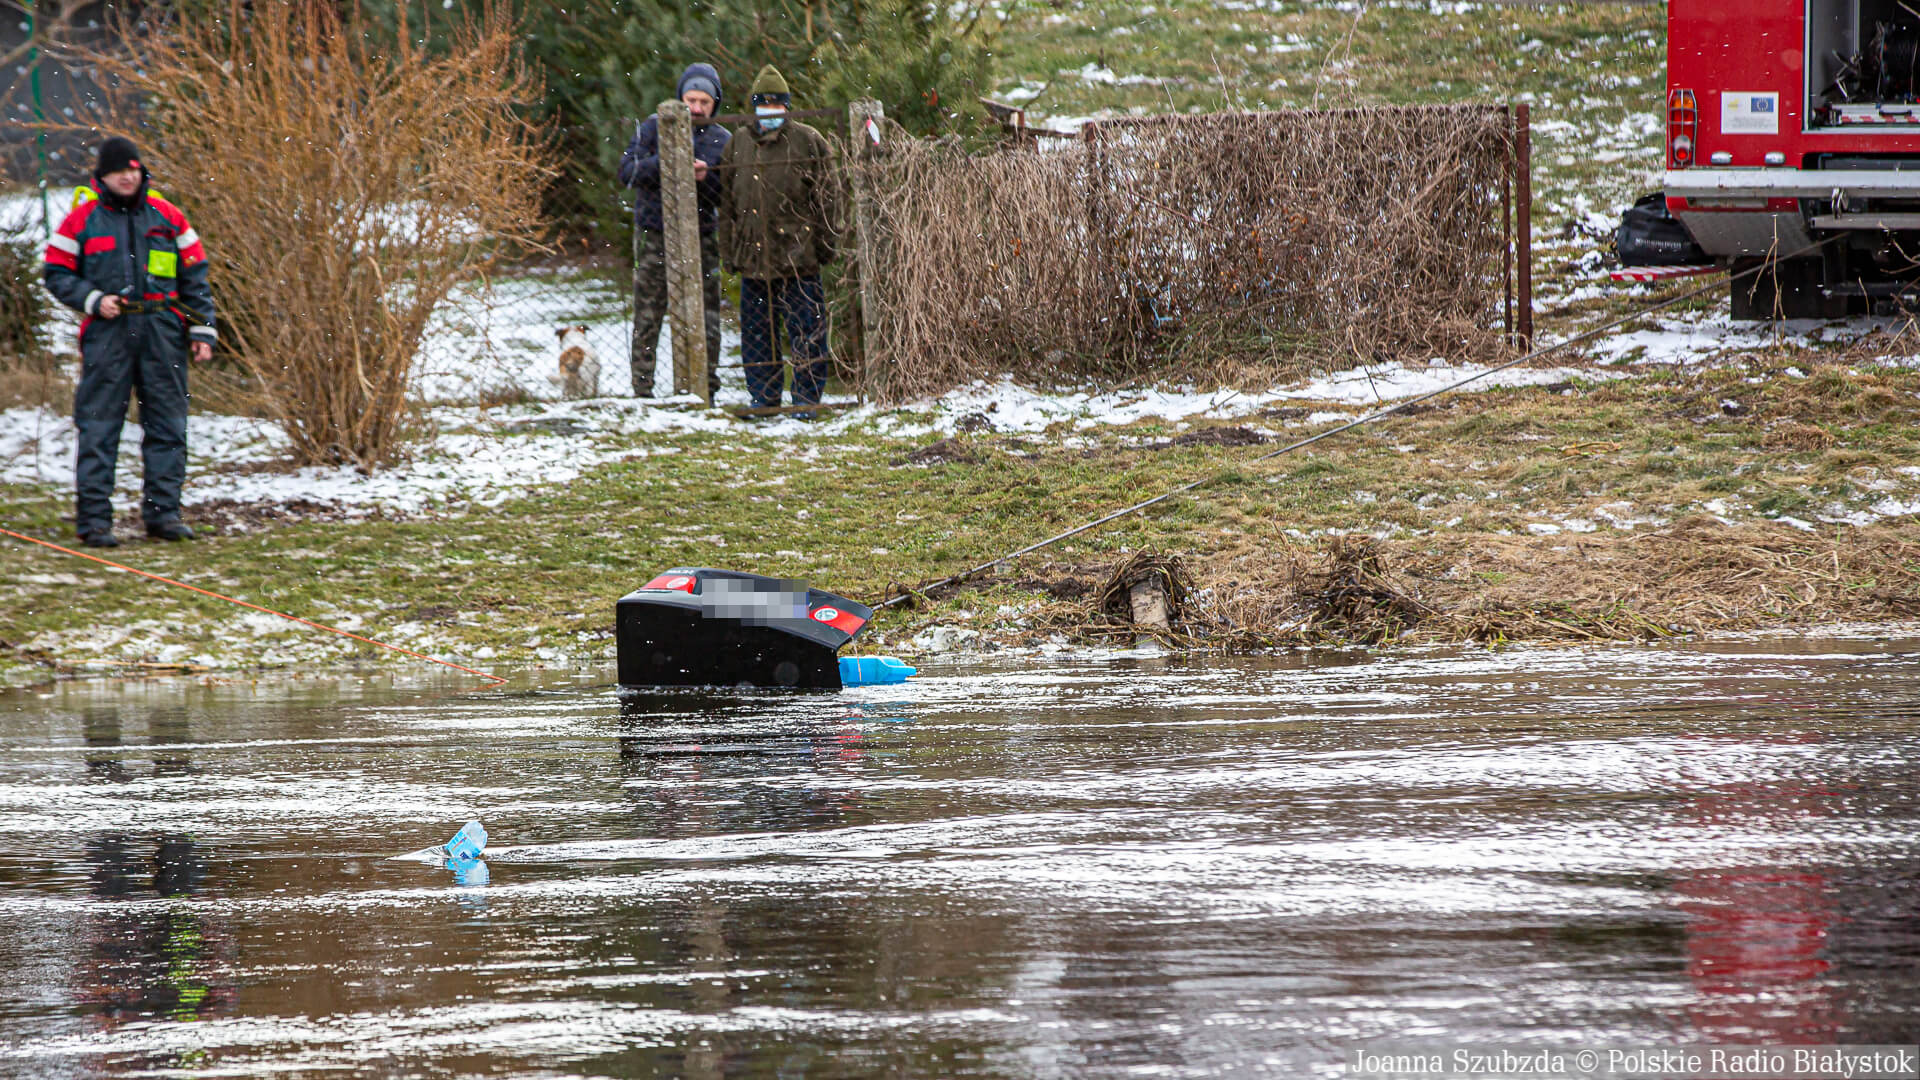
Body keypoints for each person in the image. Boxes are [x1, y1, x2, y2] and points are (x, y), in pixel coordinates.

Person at [43, 137, 216, 547]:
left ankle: (163, 516)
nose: (126, 177)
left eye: (132, 170)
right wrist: (92, 300)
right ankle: (94, 522)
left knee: (168, 426)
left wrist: (202, 329)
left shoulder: (168, 216)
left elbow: (195, 277)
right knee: (98, 427)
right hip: (108, 334)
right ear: (102, 177)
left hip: (163, 332)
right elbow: (56, 272)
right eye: (118, 171)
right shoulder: (82, 221)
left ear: (142, 172)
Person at [716, 65, 843, 413]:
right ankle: (764, 398)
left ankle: (806, 399)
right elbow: (726, 205)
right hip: (753, 259)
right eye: (763, 104)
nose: (769, 111)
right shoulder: (738, 144)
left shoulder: (808, 141)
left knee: (808, 331)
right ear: (754, 106)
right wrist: (729, 252)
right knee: (757, 335)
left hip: (799, 258)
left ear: (787, 107)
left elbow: (829, 198)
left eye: (776, 104)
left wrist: (825, 245)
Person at [618, 62, 730, 398]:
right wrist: (667, 162)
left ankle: (705, 388)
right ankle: (642, 389)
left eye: (704, 102)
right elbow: (628, 172)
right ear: (680, 98)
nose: (696, 108)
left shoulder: (721, 140)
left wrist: (706, 177)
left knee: (706, 316)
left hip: (702, 236)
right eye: (691, 100)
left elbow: (727, 194)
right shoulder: (652, 128)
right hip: (655, 234)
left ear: (714, 104)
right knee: (648, 314)